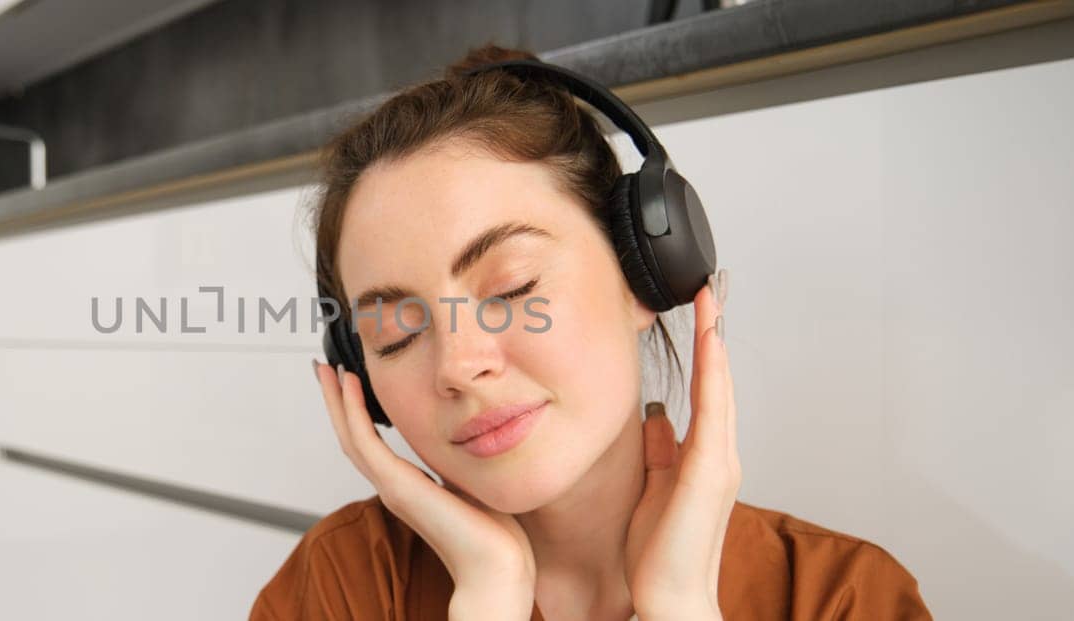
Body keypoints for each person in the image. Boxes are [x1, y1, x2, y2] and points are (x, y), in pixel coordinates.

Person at [248, 44, 931, 620]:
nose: (458, 364)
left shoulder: (842, 596)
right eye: (395, 333)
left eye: (514, 289)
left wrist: (682, 606)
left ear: (644, 273)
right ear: (358, 372)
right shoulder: (336, 586)